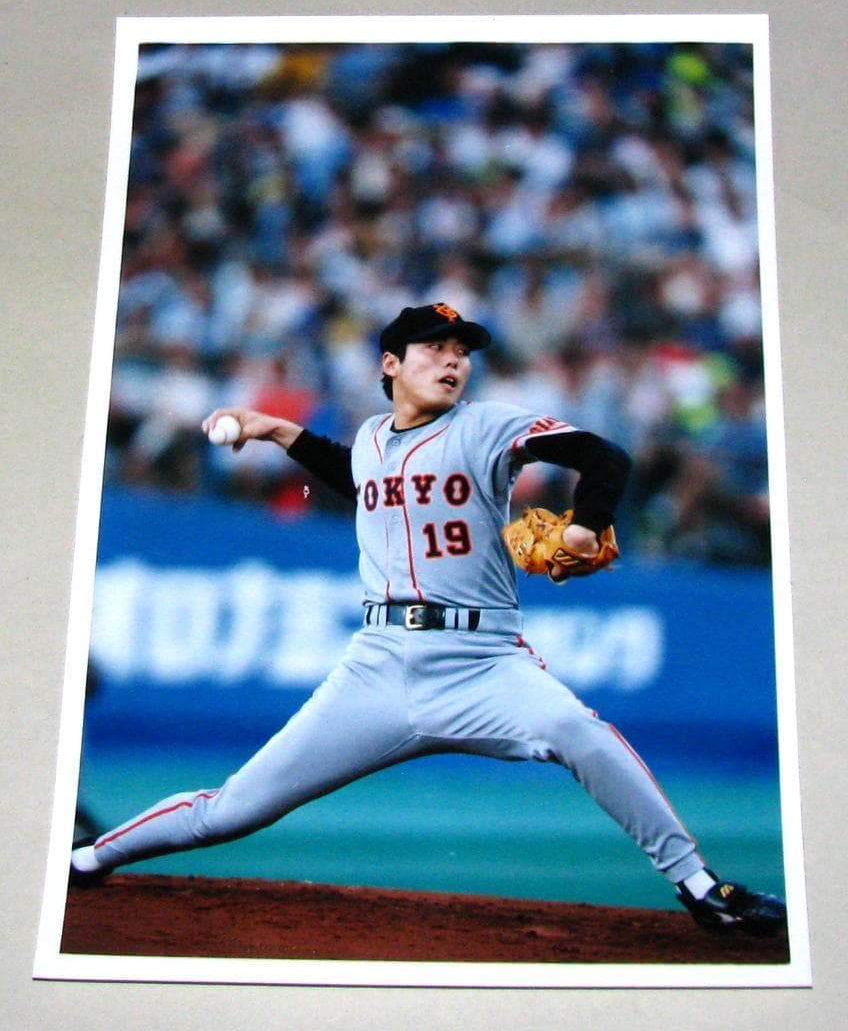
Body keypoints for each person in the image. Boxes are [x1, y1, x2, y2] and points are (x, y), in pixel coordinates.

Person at [70, 303, 786, 936]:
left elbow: (604, 457)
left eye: (461, 351)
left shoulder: (488, 426)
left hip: (485, 663)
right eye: (435, 348)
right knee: (231, 812)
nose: (453, 361)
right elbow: (357, 472)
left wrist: (585, 523)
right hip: (378, 666)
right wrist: (280, 431)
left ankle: (700, 887)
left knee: (581, 733)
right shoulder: (373, 438)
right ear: (391, 364)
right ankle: (87, 858)